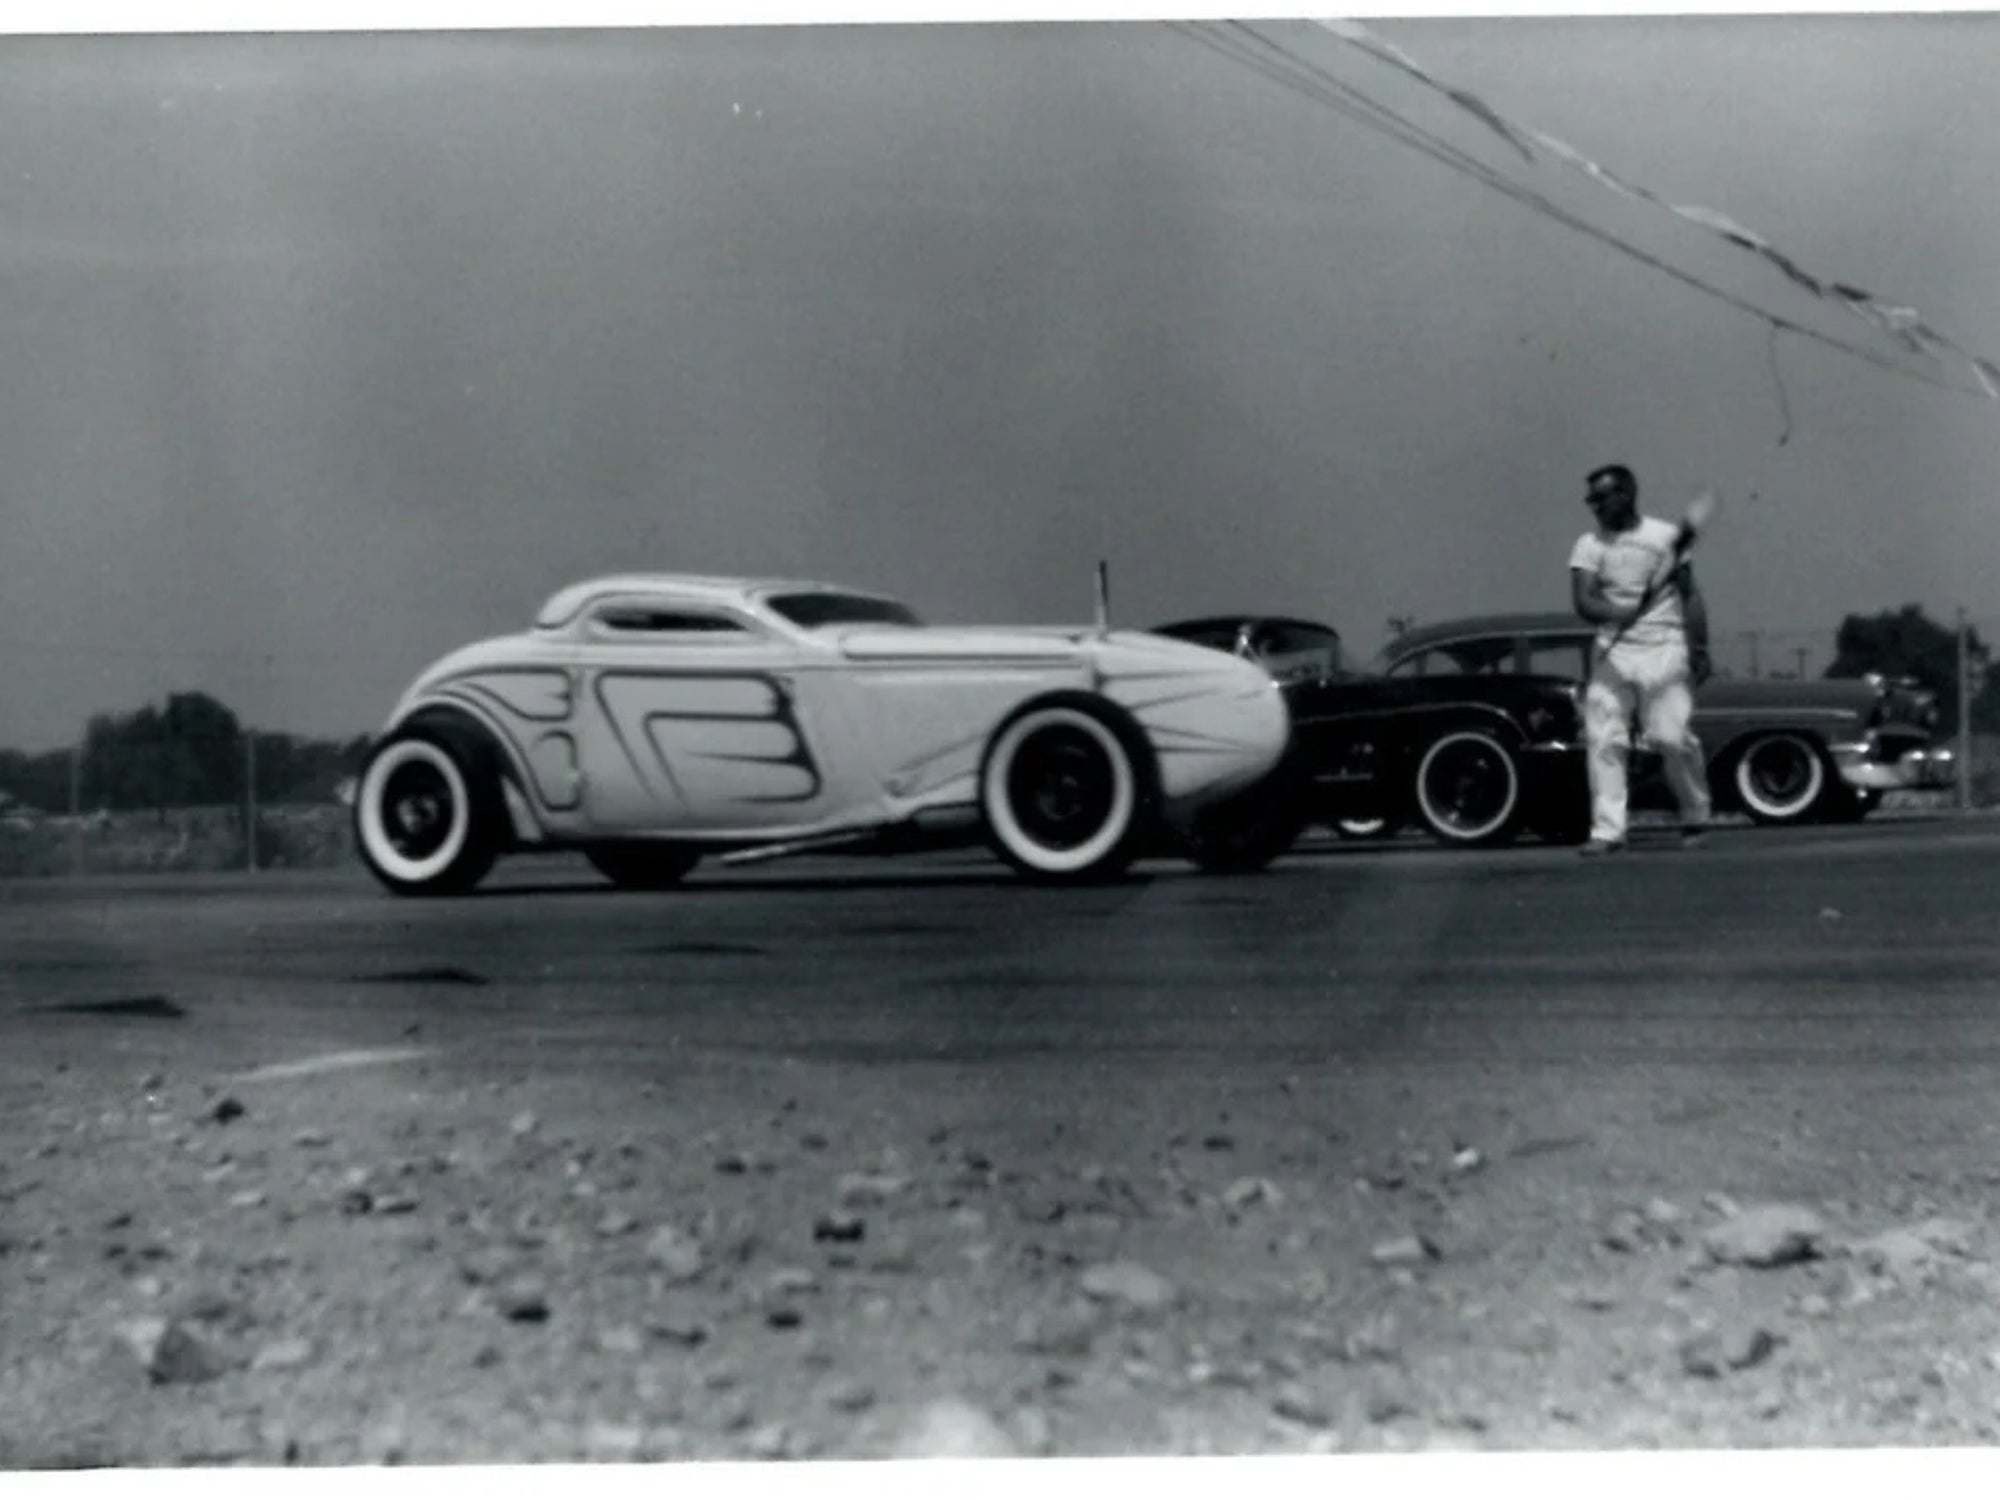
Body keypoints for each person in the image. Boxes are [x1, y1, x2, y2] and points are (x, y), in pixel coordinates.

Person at [1568, 463, 1714, 854]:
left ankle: (1695, 812)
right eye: (1591, 500)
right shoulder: (1589, 545)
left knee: (1670, 736)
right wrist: (1618, 614)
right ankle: (1608, 830)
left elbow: (1690, 596)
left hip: (1665, 647)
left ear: (1626, 494)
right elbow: (1584, 601)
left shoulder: (1665, 536)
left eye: (1601, 497)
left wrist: (1700, 648)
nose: (1595, 506)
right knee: (1603, 734)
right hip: (1614, 650)